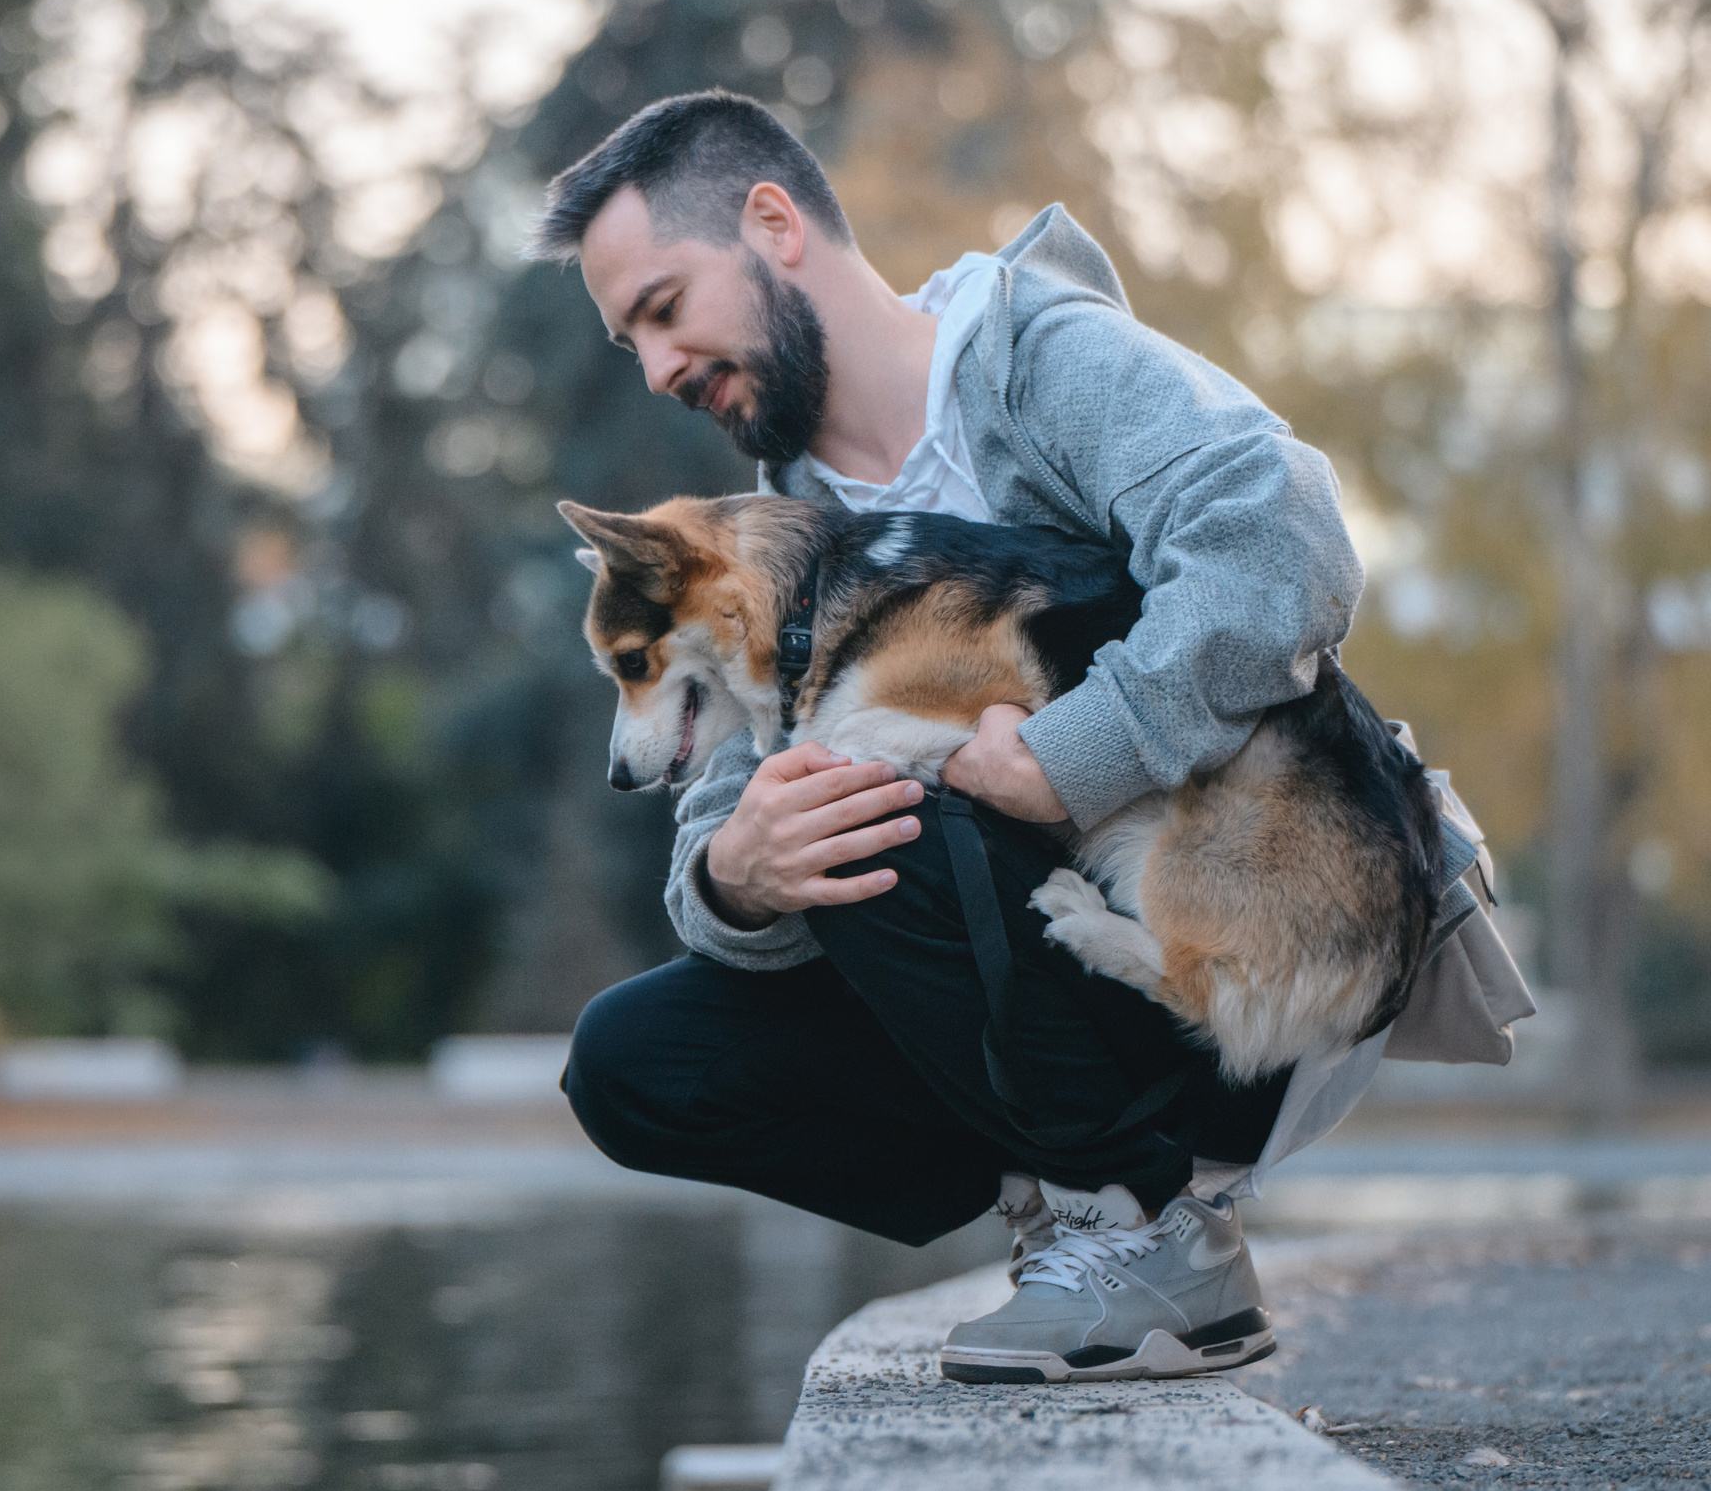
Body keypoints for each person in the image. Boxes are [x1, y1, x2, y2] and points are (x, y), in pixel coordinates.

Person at [531, 90, 1532, 1383]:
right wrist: (740, 870)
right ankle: (1054, 1186)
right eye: (630, 344)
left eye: (664, 309)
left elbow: (1284, 538)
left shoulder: (1040, 359)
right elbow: (707, 842)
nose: (659, 368)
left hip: (1243, 921)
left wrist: (1068, 754)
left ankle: (1157, 1233)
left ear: (772, 223)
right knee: (630, 1062)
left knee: (897, 777)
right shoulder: (764, 542)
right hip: (1038, 975)